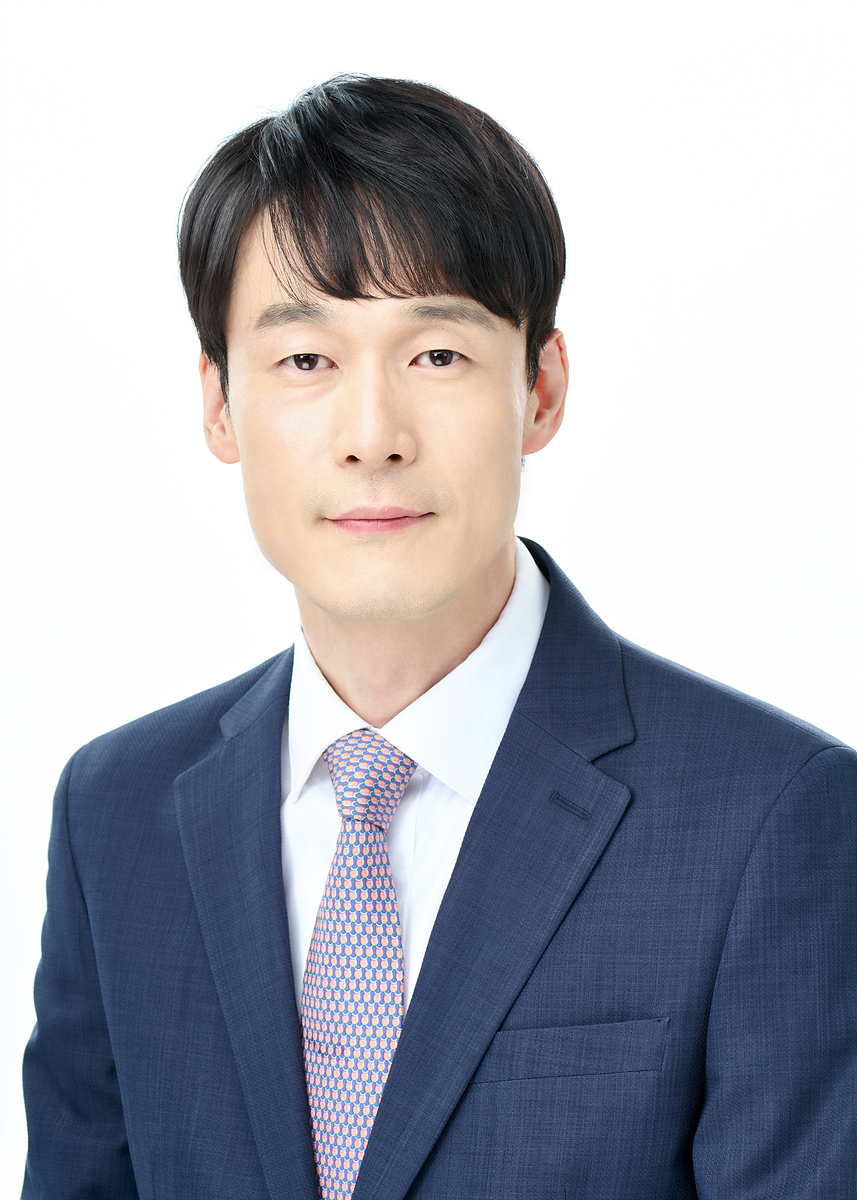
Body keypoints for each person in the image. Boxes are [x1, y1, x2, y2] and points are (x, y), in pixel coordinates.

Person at [22, 74, 856, 1200]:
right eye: (306, 360)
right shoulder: (116, 810)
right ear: (219, 403)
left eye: (437, 356)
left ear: (540, 389)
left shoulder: (770, 819)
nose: (372, 437)